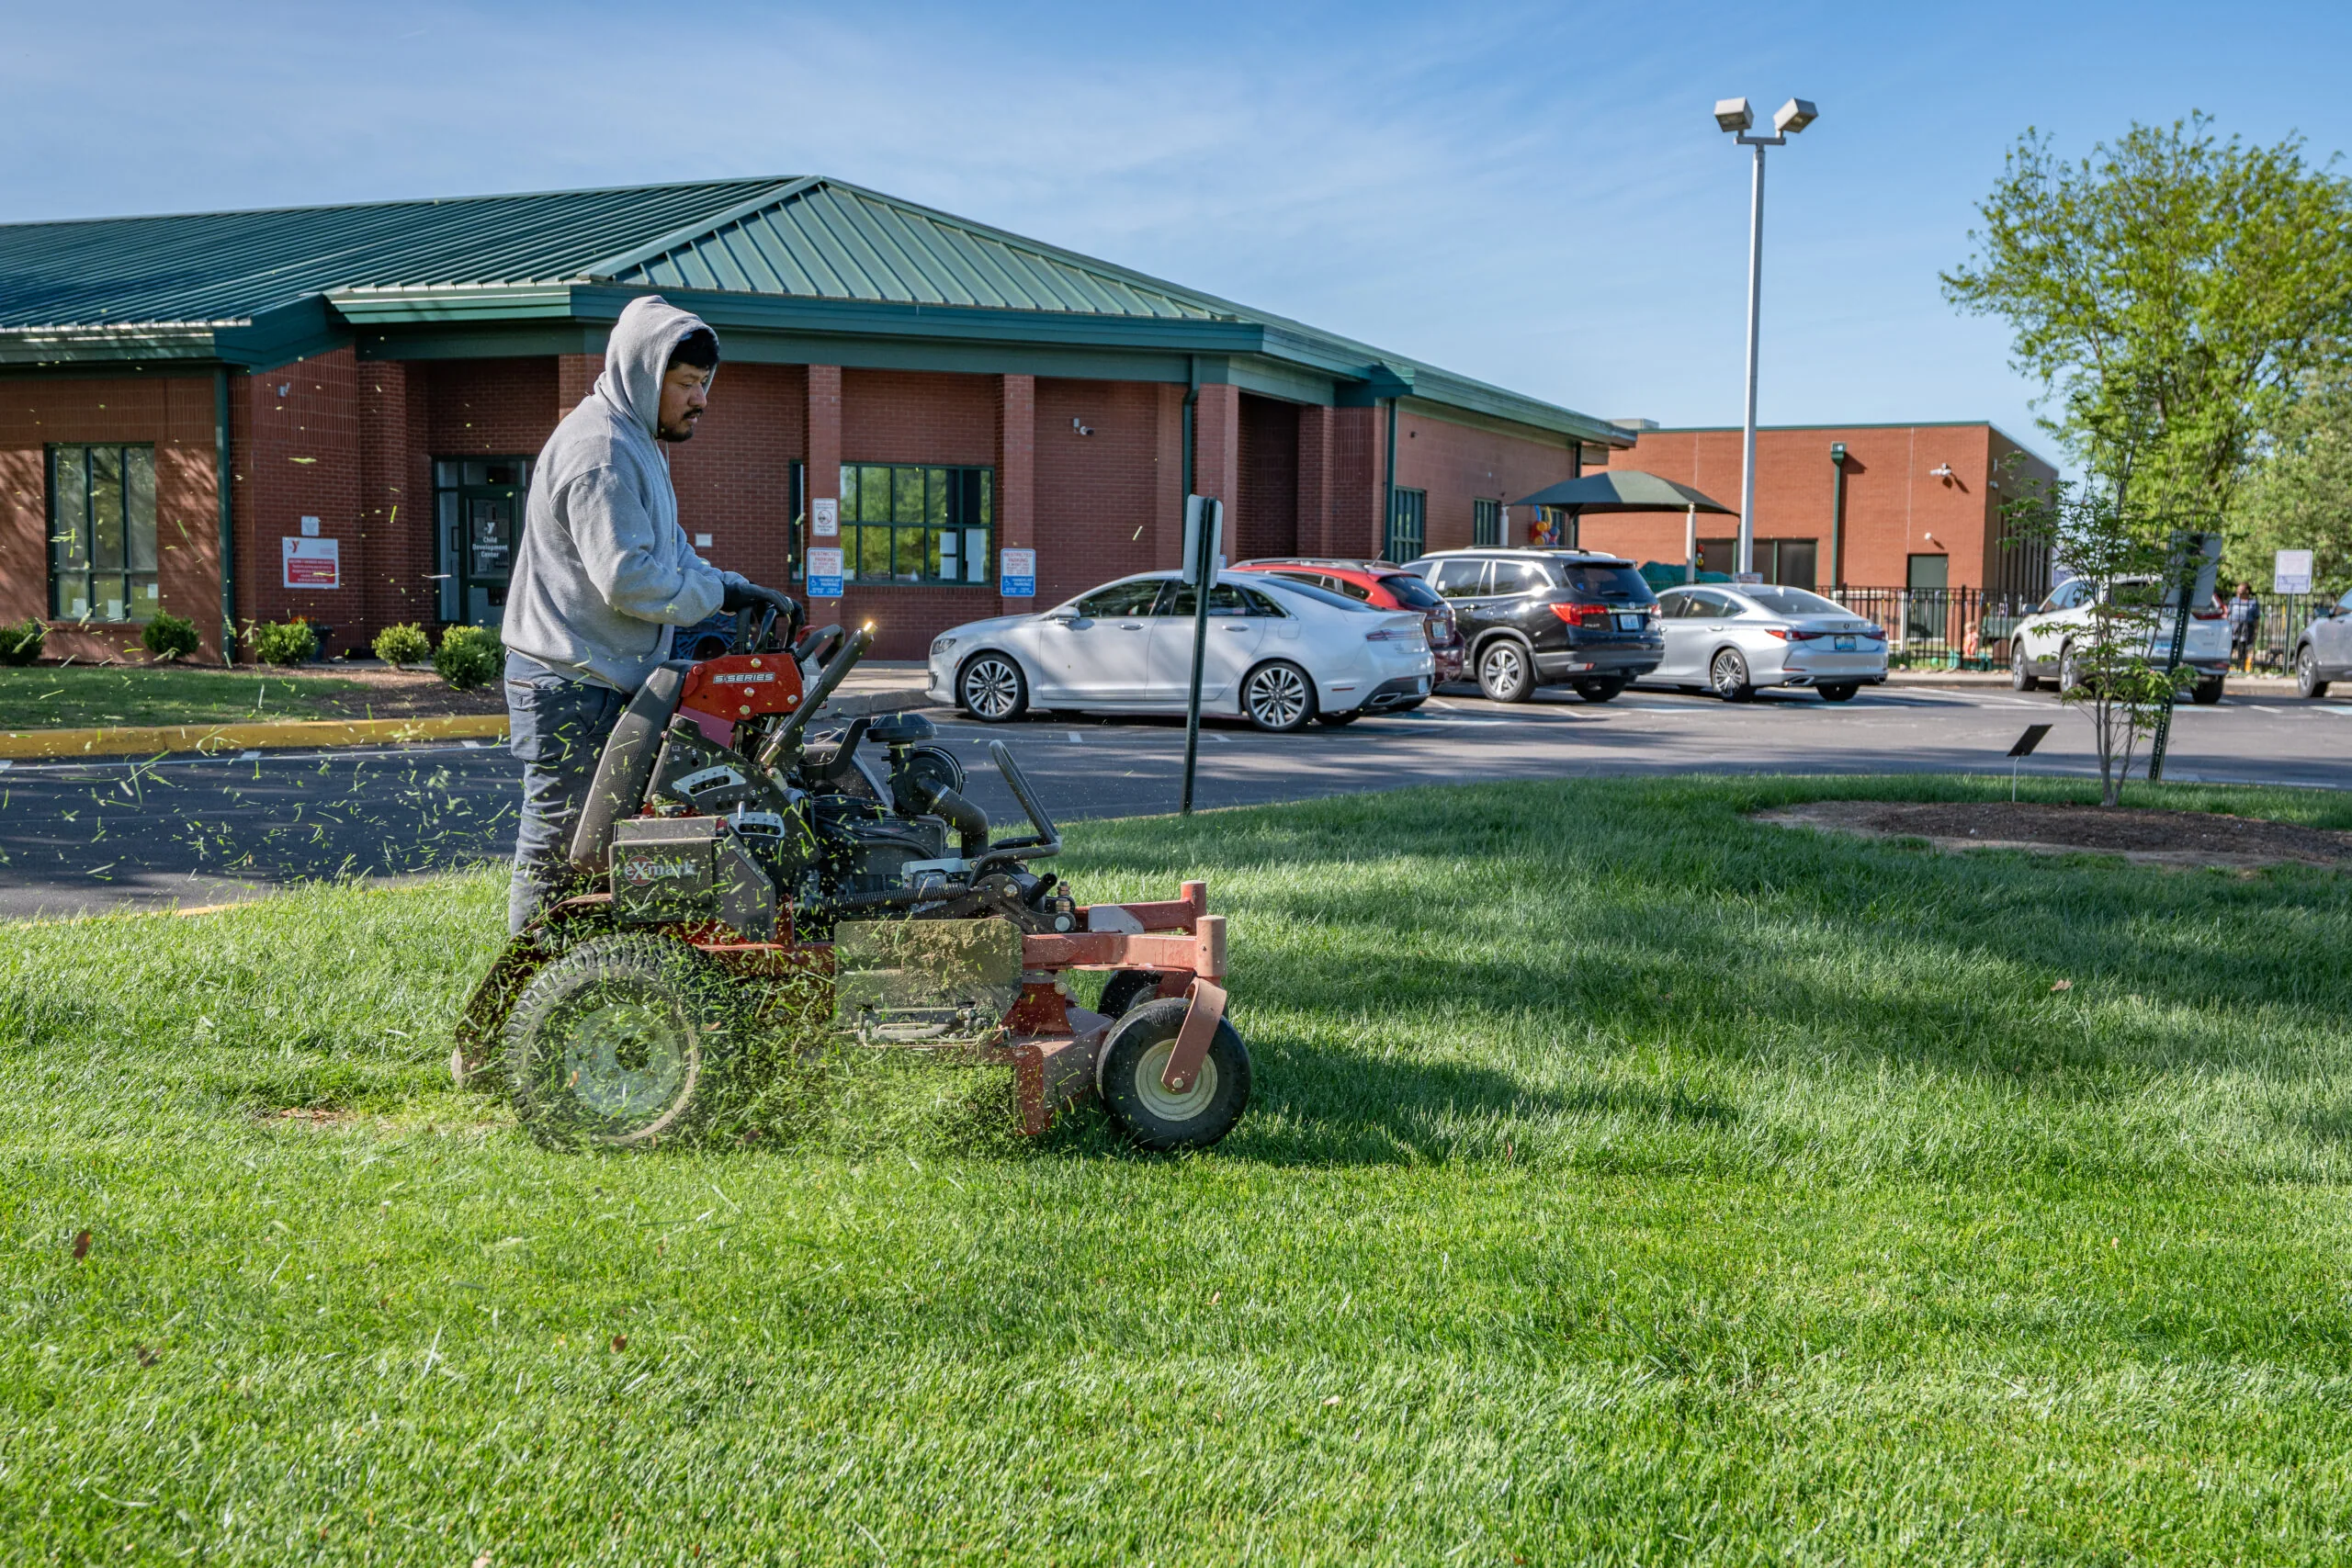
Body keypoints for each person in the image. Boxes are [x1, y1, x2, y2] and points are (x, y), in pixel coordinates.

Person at [499, 295, 797, 934]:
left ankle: (587, 969)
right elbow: (628, 579)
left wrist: (736, 587)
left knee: (605, 851)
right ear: (644, 373)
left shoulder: (639, 442)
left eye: (704, 384)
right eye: (687, 384)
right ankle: (526, 999)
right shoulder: (600, 452)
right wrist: (713, 598)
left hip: (602, 672)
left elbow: (671, 549)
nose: (701, 399)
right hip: (568, 683)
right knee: (558, 849)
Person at [2226, 581, 2261, 672]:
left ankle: (2241, 668)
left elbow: (2257, 618)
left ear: (2247, 591)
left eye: (2241, 589)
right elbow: (2227, 614)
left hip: (2246, 627)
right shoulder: (2234, 601)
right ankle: (2226, 666)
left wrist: (2256, 631)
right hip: (2233, 626)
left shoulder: (2253, 603)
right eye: (2238, 589)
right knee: (2229, 646)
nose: (2239, 591)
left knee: (2242, 648)